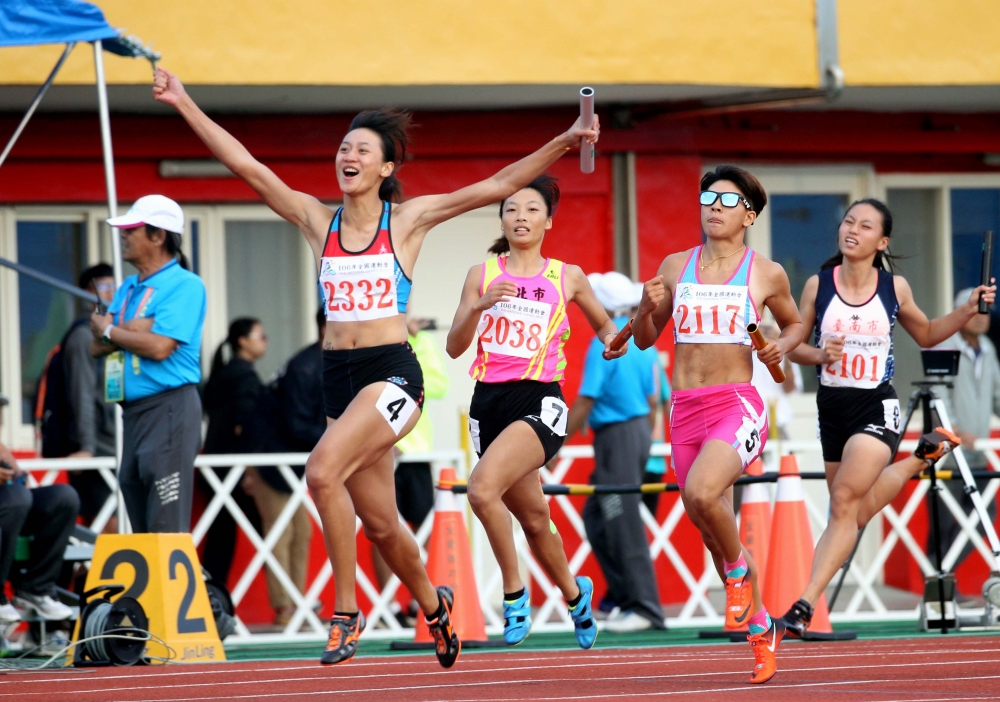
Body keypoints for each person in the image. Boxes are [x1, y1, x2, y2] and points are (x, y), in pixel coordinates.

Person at [154, 66, 599, 667]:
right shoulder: (319, 221)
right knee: (383, 526)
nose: (349, 155)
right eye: (344, 147)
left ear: (386, 168)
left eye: (363, 149)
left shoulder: (407, 221)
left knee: (320, 473)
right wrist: (184, 102)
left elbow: (495, 185)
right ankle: (436, 608)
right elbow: (248, 169)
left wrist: (565, 140)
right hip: (338, 377)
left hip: (392, 375)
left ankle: (344, 610)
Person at [781, 199, 993, 640]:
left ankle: (803, 605)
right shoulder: (816, 285)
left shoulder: (894, 289)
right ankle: (921, 457)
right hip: (831, 408)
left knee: (842, 503)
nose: (852, 230)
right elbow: (794, 343)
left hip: (876, 405)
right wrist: (819, 354)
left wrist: (969, 309)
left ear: (883, 241)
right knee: (853, 515)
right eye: (847, 221)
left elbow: (928, 333)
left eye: (864, 225)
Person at [631, 165, 804, 683]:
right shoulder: (675, 264)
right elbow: (644, 339)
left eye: (726, 200)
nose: (713, 206)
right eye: (707, 197)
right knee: (710, 529)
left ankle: (736, 572)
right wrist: (645, 307)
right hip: (686, 409)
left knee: (704, 494)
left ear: (748, 215)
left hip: (736, 403)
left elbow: (795, 324)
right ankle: (761, 630)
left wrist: (782, 345)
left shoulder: (765, 272)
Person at [446, 175, 625, 649]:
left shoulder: (567, 276)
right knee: (533, 518)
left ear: (549, 220)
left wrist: (614, 345)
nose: (520, 216)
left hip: (540, 401)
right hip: (488, 403)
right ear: (501, 220)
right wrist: (479, 306)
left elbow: (607, 328)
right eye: (511, 209)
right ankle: (575, 595)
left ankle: (513, 591)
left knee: (482, 490)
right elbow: (453, 347)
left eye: (531, 209)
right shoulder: (481, 275)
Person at [90, 195, 206, 534]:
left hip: (169, 407)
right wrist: (133, 329)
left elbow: (158, 347)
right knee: (137, 505)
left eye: (132, 230)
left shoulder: (186, 284)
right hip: (134, 413)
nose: (123, 236)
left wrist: (114, 329)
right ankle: (154, 587)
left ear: (158, 236)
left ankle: (173, 587)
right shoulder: (127, 286)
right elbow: (95, 345)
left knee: (164, 521)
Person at [565, 271, 666, 632]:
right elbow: (655, 398)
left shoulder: (603, 343)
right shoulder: (642, 342)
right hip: (633, 434)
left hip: (619, 437)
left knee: (620, 517)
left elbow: (585, 400)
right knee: (598, 516)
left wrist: (554, 442)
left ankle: (644, 607)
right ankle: (625, 598)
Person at [372, 316, 450, 627]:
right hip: (379, 448)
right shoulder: (370, 336)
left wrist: (413, 344)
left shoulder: (422, 341)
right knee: (382, 528)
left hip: (416, 450)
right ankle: (388, 604)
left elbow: (438, 386)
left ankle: (424, 602)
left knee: (425, 528)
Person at [931, 289, 1000, 569]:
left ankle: (943, 574)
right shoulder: (943, 345)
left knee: (985, 515)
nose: (982, 318)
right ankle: (937, 584)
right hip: (943, 448)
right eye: (975, 310)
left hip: (975, 451)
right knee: (943, 520)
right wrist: (954, 429)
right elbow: (937, 394)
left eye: (986, 312)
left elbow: (997, 396)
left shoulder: (989, 348)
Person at [46, 264, 118, 531]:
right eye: (103, 287)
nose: (111, 293)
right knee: (110, 532)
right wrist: (87, 448)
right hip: (97, 450)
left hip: (112, 446)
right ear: (86, 293)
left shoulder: (112, 332)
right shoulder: (82, 336)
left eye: (114, 286)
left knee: (105, 535)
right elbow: (82, 393)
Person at [200, 318, 268, 590]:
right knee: (274, 532)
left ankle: (212, 596)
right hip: (235, 471)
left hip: (215, 466)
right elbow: (244, 426)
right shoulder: (244, 377)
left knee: (220, 537)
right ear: (243, 341)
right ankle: (287, 600)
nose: (265, 341)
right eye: (261, 335)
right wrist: (251, 472)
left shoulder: (223, 373)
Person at [0, 407, 78, 623]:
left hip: (12, 509)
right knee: (17, 498)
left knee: (63, 497)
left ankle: (36, 588)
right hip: (11, 504)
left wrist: (14, 471)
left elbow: (18, 478)